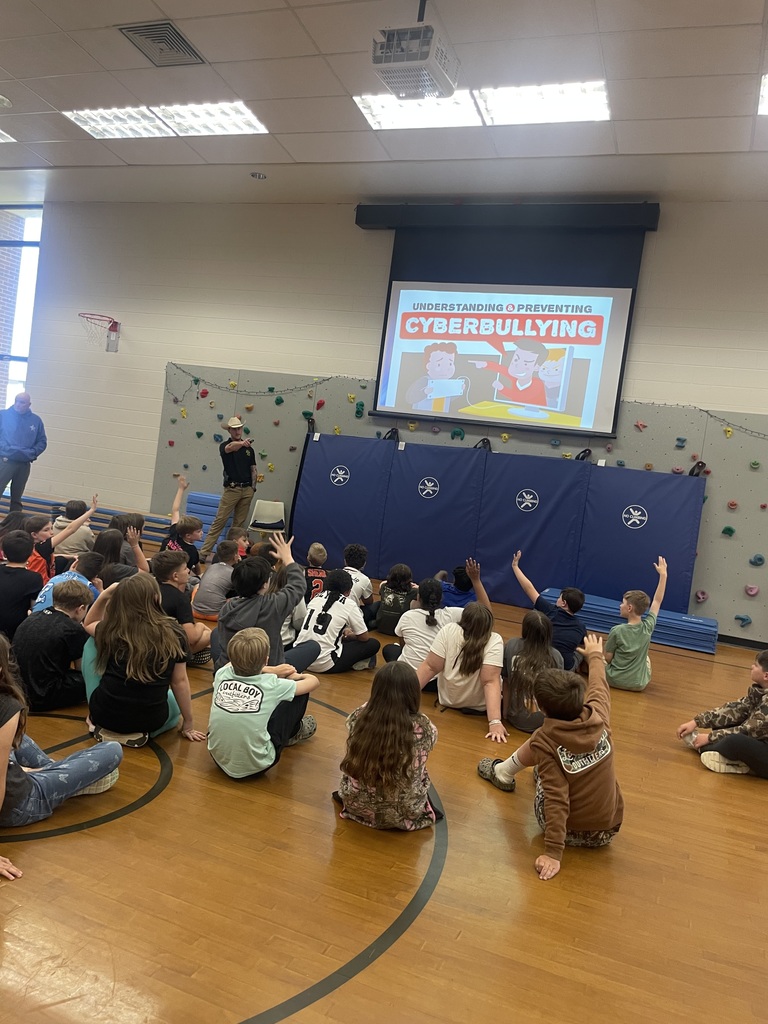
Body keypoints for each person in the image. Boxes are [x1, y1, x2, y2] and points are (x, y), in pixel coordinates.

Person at [477, 635, 624, 881]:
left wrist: (553, 853)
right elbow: (599, 684)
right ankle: (508, 770)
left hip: (570, 833)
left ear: (542, 708)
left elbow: (557, 800)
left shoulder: (546, 742)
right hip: (609, 829)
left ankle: (503, 771)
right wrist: (595, 655)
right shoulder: (598, 715)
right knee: (551, 753)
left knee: (541, 745)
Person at [0, 633, 122, 828]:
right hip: (18, 803)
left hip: (12, 783)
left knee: (18, 739)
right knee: (113, 750)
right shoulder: (6, 706)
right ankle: (60, 776)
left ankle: (52, 773)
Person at [82, 574, 206, 746]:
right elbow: (180, 682)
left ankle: (98, 720)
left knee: (91, 643)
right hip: (149, 720)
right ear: (156, 597)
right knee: (172, 703)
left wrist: (105, 594)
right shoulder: (175, 633)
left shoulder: (114, 628)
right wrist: (189, 723)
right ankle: (143, 732)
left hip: (103, 713)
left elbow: (89, 623)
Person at [336, 661, 440, 830]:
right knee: (419, 769)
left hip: (358, 805)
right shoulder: (425, 727)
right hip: (405, 812)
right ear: (413, 693)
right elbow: (427, 748)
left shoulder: (359, 717)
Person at [207, 627, 319, 779]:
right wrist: (293, 675)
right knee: (298, 693)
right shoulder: (272, 684)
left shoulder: (222, 674)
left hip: (218, 757)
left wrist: (270, 670)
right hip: (257, 765)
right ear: (266, 660)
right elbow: (314, 682)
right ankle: (294, 732)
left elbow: (230, 666)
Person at [215, 534, 320, 674]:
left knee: (216, 633)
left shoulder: (227, 607)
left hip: (233, 667)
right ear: (265, 584)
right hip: (268, 670)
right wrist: (287, 557)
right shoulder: (273, 605)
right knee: (313, 646)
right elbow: (298, 585)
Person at [416, 602, 506, 742]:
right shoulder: (494, 639)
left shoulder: (449, 630)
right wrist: (495, 722)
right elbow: (490, 681)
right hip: (479, 708)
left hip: (448, 701)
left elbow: (430, 667)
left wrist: (402, 698)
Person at [383, 562, 492, 673]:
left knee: (389, 649)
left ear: (418, 597)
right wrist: (476, 580)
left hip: (411, 676)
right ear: (440, 599)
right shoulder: (452, 614)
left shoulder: (407, 616)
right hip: (436, 678)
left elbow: (403, 645)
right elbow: (486, 613)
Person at [677, 651, 768, 776]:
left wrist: (709, 738)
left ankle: (702, 747)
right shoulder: (760, 692)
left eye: (756, 665)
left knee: (736, 741)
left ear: (766, 676)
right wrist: (696, 721)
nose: (752, 667)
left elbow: (748, 731)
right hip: (761, 742)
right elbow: (733, 710)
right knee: (724, 724)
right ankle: (735, 761)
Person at [13, 580, 92, 711]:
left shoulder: (33, 616)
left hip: (19, 690)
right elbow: (81, 669)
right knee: (92, 679)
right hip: (43, 696)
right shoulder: (73, 629)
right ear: (81, 608)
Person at [510, 549, 586, 670]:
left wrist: (515, 566)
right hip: (565, 668)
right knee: (580, 652)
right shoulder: (581, 626)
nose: (557, 599)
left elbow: (528, 588)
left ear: (564, 603)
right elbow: (582, 645)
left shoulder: (550, 611)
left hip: (543, 662)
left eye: (559, 598)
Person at [294, 569, 380, 673]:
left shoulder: (316, 598)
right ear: (348, 591)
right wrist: (348, 636)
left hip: (300, 658)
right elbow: (364, 637)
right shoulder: (349, 604)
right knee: (373, 644)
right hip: (323, 664)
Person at [604, 557, 668, 691]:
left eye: (623, 603)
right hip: (638, 684)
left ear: (629, 608)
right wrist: (663, 575)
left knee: (597, 657)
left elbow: (608, 659)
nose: (620, 605)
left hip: (613, 680)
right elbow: (657, 601)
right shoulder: (648, 627)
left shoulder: (617, 630)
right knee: (647, 659)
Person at [199, 418, 257, 563]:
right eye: (234, 429)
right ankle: (204, 552)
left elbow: (253, 469)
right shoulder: (225, 445)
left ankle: (233, 555)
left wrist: (253, 487)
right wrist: (242, 443)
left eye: (239, 428)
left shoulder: (249, 450)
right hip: (232, 489)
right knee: (220, 521)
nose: (237, 431)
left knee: (238, 525)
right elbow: (230, 447)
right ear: (229, 431)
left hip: (247, 489)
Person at [502, 610, 563, 733]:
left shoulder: (511, 645)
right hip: (544, 723)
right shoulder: (556, 656)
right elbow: (558, 694)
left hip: (516, 718)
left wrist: (504, 713)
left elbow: (506, 682)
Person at [151, 550, 212, 665]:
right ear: (175, 576)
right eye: (185, 569)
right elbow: (191, 638)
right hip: (163, 650)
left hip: (143, 641)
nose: (188, 571)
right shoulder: (180, 599)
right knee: (208, 634)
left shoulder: (148, 589)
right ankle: (183, 659)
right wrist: (200, 626)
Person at [25, 494, 98, 584]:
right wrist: (91, 510)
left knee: (61, 559)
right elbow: (70, 529)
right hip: (41, 585)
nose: (52, 532)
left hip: (33, 579)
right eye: (46, 530)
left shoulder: (29, 545)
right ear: (34, 535)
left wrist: (71, 556)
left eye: (51, 528)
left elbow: (46, 557)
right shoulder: (42, 547)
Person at [0, 392, 47, 511]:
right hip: (5, 461)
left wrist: (32, 453)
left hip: (23, 464)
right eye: (17, 401)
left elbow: (42, 441)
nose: (19, 404)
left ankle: (14, 525)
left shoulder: (36, 421)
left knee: (17, 498)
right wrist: (6, 449)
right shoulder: (3, 415)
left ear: (29, 404)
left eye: (22, 402)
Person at [470, 339, 548, 405]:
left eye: (525, 363)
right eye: (516, 359)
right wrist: (485, 364)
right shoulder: (515, 378)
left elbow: (521, 396)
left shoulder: (538, 384)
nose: (517, 365)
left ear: (536, 367)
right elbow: (501, 369)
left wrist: (501, 388)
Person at [0, 530, 43, 640]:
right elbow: (35, 609)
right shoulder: (34, 578)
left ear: (3, 553)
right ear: (30, 553)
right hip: (13, 631)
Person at [32, 551, 104, 611]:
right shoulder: (89, 588)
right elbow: (107, 608)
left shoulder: (56, 578)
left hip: (33, 619)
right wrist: (101, 590)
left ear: (75, 563)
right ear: (96, 576)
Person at [160, 475, 203, 576]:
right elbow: (195, 570)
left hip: (159, 569)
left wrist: (180, 489)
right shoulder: (191, 552)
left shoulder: (175, 531)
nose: (202, 533)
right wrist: (199, 578)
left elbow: (175, 510)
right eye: (198, 531)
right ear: (188, 535)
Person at [191, 539, 239, 620]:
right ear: (235, 556)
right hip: (217, 615)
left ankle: (194, 602)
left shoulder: (210, 567)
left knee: (197, 585)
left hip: (194, 612)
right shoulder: (233, 572)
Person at [370, 563, 417, 633]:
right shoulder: (414, 592)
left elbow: (384, 582)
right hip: (399, 630)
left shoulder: (383, 586)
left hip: (381, 626)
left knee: (378, 604)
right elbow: (422, 591)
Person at [342, 543, 373, 610]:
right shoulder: (365, 580)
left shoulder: (334, 574)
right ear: (364, 564)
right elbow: (369, 602)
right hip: (351, 615)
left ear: (345, 561)